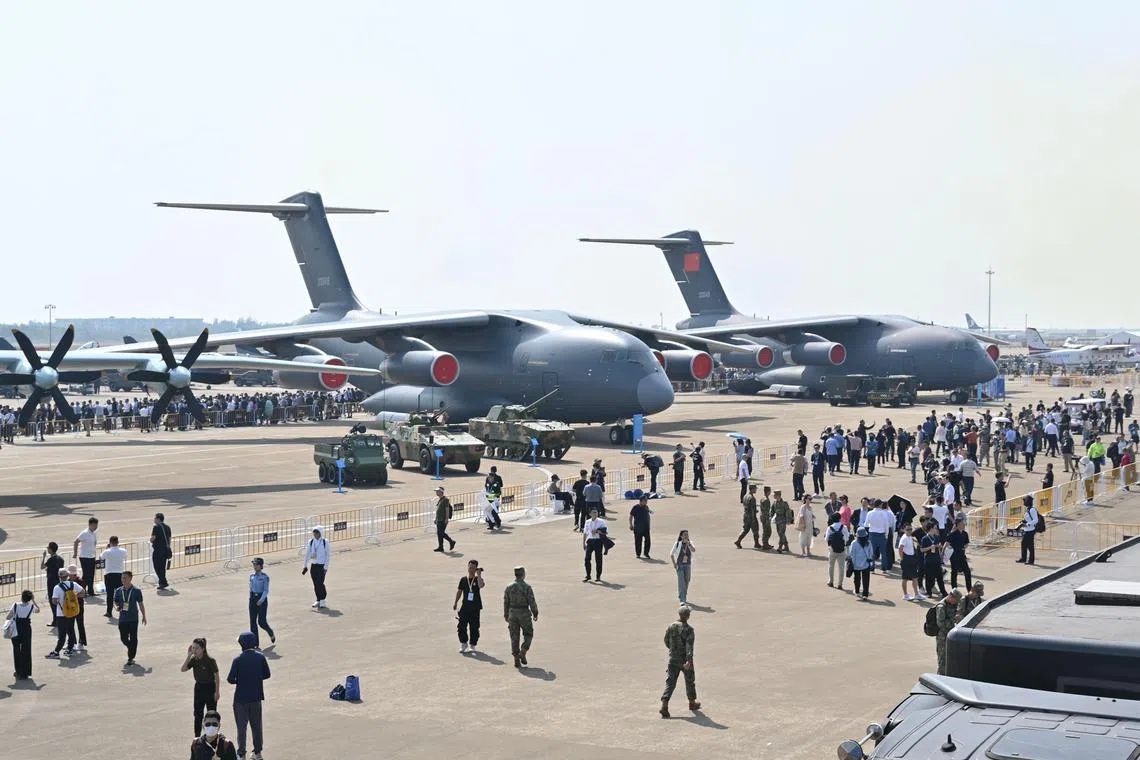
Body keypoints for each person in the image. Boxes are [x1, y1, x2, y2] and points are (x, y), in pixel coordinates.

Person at [228, 631, 271, 760]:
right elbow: (267, 674)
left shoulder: (238, 660)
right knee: (257, 726)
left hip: (241, 699)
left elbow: (230, 679)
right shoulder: (260, 657)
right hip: (256, 697)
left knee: (242, 728)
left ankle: (241, 753)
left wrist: (240, 681)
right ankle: (257, 752)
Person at [659, 605, 700, 718]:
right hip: (684, 660)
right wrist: (688, 661)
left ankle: (664, 704)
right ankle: (692, 703)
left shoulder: (671, 626)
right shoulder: (689, 630)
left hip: (673, 659)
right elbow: (689, 647)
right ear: (688, 616)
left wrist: (673, 650)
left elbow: (666, 640)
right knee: (690, 681)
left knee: (670, 682)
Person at [182, 637, 221, 738]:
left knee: (212, 714)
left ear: (203, 649)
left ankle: (213, 735)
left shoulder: (210, 660)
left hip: (210, 687)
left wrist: (217, 692)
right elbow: (183, 669)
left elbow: (216, 677)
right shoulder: (194, 660)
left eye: (196, 648)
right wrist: (188, 655)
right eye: (193, 648)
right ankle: (197, 737)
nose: (194, 650)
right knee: (198, 714)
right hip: (199, 688)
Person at [503, 566, 538, 668]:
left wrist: (506, 614)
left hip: (512, 613)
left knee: (514, 636)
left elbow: (506, 602)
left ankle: (516, 659)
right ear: (523, 574)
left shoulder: (509, 587)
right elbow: (532, 601)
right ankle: (523, 651)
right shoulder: (527, 587)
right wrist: (535, 612)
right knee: (528, 634)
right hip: (524, 613)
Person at [46, 567, 82, 658]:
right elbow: (83, 592)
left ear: (59, 577)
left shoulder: (57, 587)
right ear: (67, 576)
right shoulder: (73, 584)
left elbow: (54, 601)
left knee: (62, 634)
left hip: (61, 613)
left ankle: (56, 651)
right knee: (71, 630)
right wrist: (73, 598)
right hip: (72, 611)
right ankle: (70, 649)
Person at [113, 570, 146, 664]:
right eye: (122, 578)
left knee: (133, 637)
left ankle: (130, 657)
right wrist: (117, 607)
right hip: (123, 618)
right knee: (123, 638)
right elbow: (115, 602)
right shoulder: (119, 590)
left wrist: (144, 615)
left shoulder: (136, 590)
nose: (123, 580)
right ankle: (131, 647)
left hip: (133, 618)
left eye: (125, 578)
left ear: (130, 578)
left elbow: (140, 604)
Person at [6, 589, 39, 680]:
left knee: (16, 649)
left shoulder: (16, 605)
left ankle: (18, 671)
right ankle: (26, 672)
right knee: (26, 650)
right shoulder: (31, 606)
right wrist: (33, 600)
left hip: (16, 629)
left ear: (22, 597)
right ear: (29, 598)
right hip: (26, 629)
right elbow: (38, 610)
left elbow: (8, 617)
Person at [454, 559, 484, 654]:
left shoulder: (478, 579)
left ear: (476, 569)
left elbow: (481, 585)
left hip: (475, 607)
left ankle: (472, 645)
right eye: (469, 567)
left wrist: (479, 575)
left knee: (474, 627)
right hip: (465, 607)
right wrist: (455, 602)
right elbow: (459, 591)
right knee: (461, 626)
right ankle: (463, 643)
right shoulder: (463, 579)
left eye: (473, 568)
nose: (471, 569)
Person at [247, 558, 275, 649]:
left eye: (256, 564)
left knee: (261, 622)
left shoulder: (264, 577)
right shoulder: (251, 576)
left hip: (261, 600)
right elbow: (251, 588)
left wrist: (261, 600)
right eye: (254, 564)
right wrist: (252, 598)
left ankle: (270, 631)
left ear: (260, 566)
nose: (254, 566)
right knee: (252, 622)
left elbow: (266, 590)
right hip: (253, 599)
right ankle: (255, 643)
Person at [302, 526, 330, 608]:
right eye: (314, 532)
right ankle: (318, 599)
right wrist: (305, 565)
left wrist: (326, 567)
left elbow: (328, 555)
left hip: (321, 566)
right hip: (313, 565)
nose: (316, 534)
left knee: (320, 583)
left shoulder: (325, 542)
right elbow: (307, 554)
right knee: (315, 583)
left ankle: (323, 599)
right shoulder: (311, 542)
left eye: (317, 532)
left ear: (321, 533)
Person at [100, 536, 128, 618]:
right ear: (118, 542)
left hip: (109, 574)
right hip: (120, 574)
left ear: (110, 542)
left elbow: (101, 558)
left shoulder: (107, 551)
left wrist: (107, 548)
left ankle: (109, 612)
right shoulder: (123, 551)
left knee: (110, 594)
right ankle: (125, 610)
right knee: (124, 593)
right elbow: (125, 556)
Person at [935, 589, 962, 675]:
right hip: (942, 637)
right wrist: (954, 619)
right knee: (942, 660)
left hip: (950, 634)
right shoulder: (941, 607)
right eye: (956, 601)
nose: (956, 603)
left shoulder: (952, 604)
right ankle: (940, 678)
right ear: (951, 597)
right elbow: (941, 624)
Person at [64, 564, 89, 653]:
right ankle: (72, 642)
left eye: (71, 574)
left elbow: (83, 593)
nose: (70, 576)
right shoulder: (67, 581)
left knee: (80, 624)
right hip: (70, 607)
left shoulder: (81, 581)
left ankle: (81, 642)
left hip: (79, 606)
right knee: (70, 625)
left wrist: (73, 596)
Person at [73, 516, 99, 597]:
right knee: (86, 575)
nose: (96, 527)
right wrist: (75, 553)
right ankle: (82, 591)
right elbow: (76, 541)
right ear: (90, 524)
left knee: (91, 574)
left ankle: (90, 590)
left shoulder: (94, 533)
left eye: (97, 525)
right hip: (85, 557)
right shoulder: (85, 533)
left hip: (91, 556)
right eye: (95, 525)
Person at [897, 523, 923, 601]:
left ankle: (916, 594)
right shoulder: (904, 538)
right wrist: (902, 559)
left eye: (910, 529)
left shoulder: (909, 536)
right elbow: (900, 549)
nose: (909, 531)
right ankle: (907, 595)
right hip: (907, 559)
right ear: (904, 530)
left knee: (913, 577)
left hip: (911, 558)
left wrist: (916, 541)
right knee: (908, 578)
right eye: (908, 529)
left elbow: (911, 539)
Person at [824, 514, 849, 589]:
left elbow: (826, 539)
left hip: (832, 549)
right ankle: (840, 584)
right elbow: (847, 538)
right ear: (840, 519)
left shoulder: (830, 528)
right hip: (842, 549)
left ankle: (831, 581)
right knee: (841, 567)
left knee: (831, 565)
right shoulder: (844, 527)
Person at [41, 542, 65, 620]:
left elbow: (42, 566)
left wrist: (43, 557)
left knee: (52, 601)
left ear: (51, 550)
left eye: (48, 548)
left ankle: (55, 619)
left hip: (51, 581)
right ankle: (59, 617)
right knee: (59, 599)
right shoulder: (60, 559)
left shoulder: (51, 559)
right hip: (59, 580)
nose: (47, 549)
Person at [849, 527, 874, 600]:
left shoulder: (854, 543)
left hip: (856, 564)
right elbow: (871, 553)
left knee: (857, 578)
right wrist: (869, 559)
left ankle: (857, 591)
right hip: (866, 564)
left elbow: (852, 554)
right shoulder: (868, 542)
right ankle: (865, 594)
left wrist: (853, 563)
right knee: (866, 579)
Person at [670, 530, 695, 604]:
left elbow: (693, 550)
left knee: (687, 581)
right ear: (681, 536)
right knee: (681, 582)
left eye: (687, 535)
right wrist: (674, 563)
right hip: (679, 565)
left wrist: (689, 544)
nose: (686, 536)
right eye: (684, 535)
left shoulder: (690, 543)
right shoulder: (677, 544)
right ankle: (682, 599)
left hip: (688, 565)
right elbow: (671, 554)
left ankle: (683, 594)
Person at [583, 508, 607, 582]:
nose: (595, 514)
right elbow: (585, 533)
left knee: (598, 559)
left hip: (598, 541)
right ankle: (588, 575)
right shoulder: (587, 522)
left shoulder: (601, 521)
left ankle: (598, 576)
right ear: (590, 514)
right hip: (590, 541)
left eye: (596, 512)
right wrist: (583, 543)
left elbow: (605, 532)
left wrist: (597, 531)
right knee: (587, 559)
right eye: (593, 512)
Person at [947, 517, 972, 588]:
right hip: (954, 556)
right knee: (954, 572)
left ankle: (969, 589)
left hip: (962, 555)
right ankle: (954, 589)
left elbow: (967, 542)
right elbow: (947, 543)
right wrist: (949, 549)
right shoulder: (952, 534)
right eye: (962, 523)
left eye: (964, 523)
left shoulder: (965, 533)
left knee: (967, 572)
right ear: (957, 525)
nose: (964, 524)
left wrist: (964, 547)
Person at [735, 484, 760, 549]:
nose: (756, 490)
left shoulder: (745, 496)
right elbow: (752, 509)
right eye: (755, 489)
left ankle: (738, 541)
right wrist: (753, 517)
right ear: (752, 489)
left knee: (745, 529)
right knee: (755, 530)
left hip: (746, 515)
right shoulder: (752, 498)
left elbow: (746, 506)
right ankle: (756, 543)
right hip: (751, 516)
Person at [151, 513, 172, 589]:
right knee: (162, 567)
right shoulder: (168, 527)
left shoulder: (156, 527)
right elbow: (169, 539)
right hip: (165, 550)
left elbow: (153, 538)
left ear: (158, 519)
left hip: (158, 550)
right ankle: (162, 582)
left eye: (155, 518)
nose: (154, 519)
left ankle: (163, 582)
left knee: (156, 566)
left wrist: (151, 540)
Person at [1017, 495, 1040, 565]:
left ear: (1028, 501)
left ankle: (1030, 560)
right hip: (1026, 530)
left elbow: (1035, 520)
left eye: (1024, 500)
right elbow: (1028, 518)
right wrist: (1023, 521)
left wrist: (1027, 524)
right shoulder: (1028, 509)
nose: (1023, 502)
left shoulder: (1032, 510)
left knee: (1030, 546)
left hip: (1030, 530)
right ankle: (1024, 558)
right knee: (1024, 544)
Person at [433, 486, 456, 553]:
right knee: (439, 533)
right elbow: (438, 510)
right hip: (439, 519)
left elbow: (447, 509)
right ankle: (441, 547)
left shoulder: (445, 499)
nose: (436, 492)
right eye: (436, 491)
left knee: (441, 533)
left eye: (438, 491)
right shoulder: (440, 499)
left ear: (441, 492)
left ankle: (451, 541)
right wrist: (436, 519)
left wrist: (446, 519)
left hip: (443, 519)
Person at [629, 494, 653, 559]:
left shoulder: (646, 507)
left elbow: (648, 515)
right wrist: (631, 525)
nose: (646, 501)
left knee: (648, 541)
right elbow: (631, 516)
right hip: (638, 528)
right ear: (641, 500)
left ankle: (646, 553)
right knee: (638, 542)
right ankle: (638, 554)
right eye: (645, 500)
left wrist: (649, 524)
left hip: (646, 528)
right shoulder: (635, 507)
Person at [758, 485, 774, 550]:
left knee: (766, 530)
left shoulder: (762, 498)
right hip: (765, 517)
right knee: (767, 531)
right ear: (768, 491)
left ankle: (766, 543)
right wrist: (768, 519)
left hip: (762, 516)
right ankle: (765, 544)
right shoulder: (766, 500)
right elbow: (767, 511)